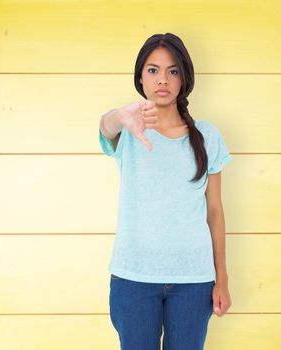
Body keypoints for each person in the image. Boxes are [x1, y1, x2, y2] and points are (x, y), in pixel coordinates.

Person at [98, 32, 233, 350]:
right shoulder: (128, 131)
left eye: (173, 71)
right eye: (153, 70)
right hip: (133, 277)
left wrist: (222, 278)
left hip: (193, 280)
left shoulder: (207, 136)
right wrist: (120, 115)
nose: (163, 79)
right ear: (140, 78)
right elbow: (106, 126)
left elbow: (215, 211)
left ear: (184, 77)